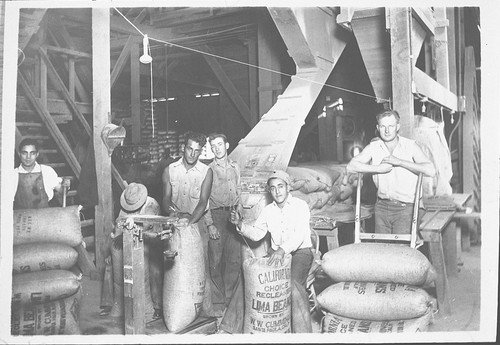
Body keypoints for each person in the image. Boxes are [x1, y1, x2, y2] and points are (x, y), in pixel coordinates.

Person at [219, 170, 313, 333]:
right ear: (269, 191)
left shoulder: (301, 206)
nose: (277, 191)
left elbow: (300, 236)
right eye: (273, 188)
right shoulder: (268, 210)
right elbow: (257, 234)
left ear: (288, 187)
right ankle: (229, 328)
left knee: (293, 285)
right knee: (247, 279)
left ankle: (303, 334)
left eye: (281, 186)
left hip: (300, 253)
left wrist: (282, 250)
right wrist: (239, 224)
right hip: (275, 253)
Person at [346, 109, 436, 234]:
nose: (387, 131)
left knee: (400, 249)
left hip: (407, 208)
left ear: (397, 127)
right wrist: (377, 169)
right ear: (378, 127)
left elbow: (431, 170)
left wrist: (400, 162)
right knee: (383, 249)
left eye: (391, 126)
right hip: (382, 207)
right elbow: (351, 166)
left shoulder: (410, 146)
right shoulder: (374, 147)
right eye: (383, 126)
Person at [162, 131, 217, 316]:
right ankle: (179, 311)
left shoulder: (206, 172)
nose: (192, 154)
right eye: (189, 149)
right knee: (174, 266)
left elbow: (203, 201)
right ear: (183, 148)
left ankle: (207, 312)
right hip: (175, 220)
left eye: (197, 151)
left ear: (201, 152)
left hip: (197, 221)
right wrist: (172, 212)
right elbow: (166, 197)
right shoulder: (170, 169)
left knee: (201, 266)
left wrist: (190, 221)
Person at [102, 183, 164, 320]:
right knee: (120, 270)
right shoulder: (126, 205)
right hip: (134, 239)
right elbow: (119, 224)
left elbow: (146, 227)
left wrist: (124, 233)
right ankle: (119, 305)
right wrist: (115, 241)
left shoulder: (151, 205)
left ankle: (157, 307)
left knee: (153, 272)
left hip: (152, 239)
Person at [207, 133, 242, 308]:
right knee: (215, 260)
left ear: (227, 145)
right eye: (213, 146)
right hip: (216, 216)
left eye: (219, 144)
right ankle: (218, 301)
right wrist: (210, 224)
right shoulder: (210, 170)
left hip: (233, 215)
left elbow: (239, 191)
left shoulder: (235, 167)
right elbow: (203, 199)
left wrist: (239, 212)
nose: (217, 149)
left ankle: (230, 300)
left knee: (234, 259)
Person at [14, 138, 70, 209]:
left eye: (32, 153)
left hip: (44, 215)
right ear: (19, 154)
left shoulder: (46, 171)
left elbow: (61, 190)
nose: (28, 157)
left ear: (37, 154)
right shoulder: (13, 174)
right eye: (24, 153)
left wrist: (66, 185)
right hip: (21, 217)